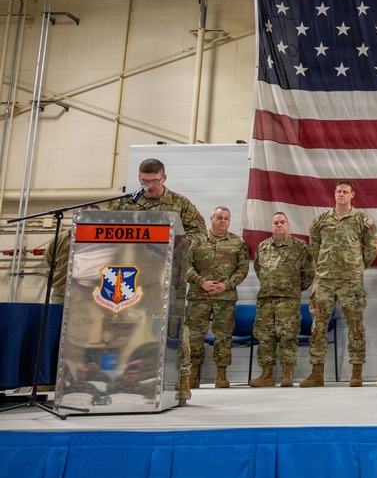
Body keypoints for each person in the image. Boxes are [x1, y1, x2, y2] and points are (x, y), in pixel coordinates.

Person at [109, 157, 206, 402]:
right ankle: (126, 378)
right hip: (131, 276)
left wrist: (180, 243)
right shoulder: (127, 202)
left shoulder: (179, 203)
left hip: (169, 277)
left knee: (174, 329)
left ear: (164, 178)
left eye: (154, 181)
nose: (149, 186)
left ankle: (181, 380)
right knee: (129, 327)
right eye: (144, 181)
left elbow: (200, 232)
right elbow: (109, 227)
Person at [302, 180, 377, 388]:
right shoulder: (321, 220)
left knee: (355, 326)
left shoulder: (361, 219)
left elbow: (372, 246)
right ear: (334, 194)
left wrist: (359, 266)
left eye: (345, 192)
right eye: (338, 192)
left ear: (353, 195)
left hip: (350, 280)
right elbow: (314, 246)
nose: (341, 195)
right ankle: (317, 371)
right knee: (318, 325)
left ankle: (356, 371)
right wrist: (323, 265)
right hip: (325, 280)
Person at [185, 206, 250, 389]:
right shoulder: (195, 241)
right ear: (211, 218)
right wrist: (202, 282)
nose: (223, 221)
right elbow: (186, 265)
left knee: (223, 336)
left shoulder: (238, 242)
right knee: (194, 336)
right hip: (199, 296)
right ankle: (192, 375)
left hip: (225, 297)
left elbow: (243, 268)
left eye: (226, 219)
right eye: (219, 217)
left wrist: (226, 285)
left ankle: (221, 375)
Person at [249, 212, 315, 388]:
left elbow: (309, 272)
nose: (279, 225)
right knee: (265, 337)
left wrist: (294, 289)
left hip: (289, 300)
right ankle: (267, 374)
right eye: (276, 222)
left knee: (288, 336)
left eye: (282, 222)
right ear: (272, 226)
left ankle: (287, 373)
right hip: (266, 299)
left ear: (288, 225)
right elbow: (258, 268)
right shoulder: (262, 247)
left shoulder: (299, 246)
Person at [43, 204, 100, 305]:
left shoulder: (106, 241)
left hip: (93, 296)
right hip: (62, 294)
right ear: (80, 217)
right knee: (57, 319)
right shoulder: (62, 238)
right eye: (87, 216)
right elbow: (49, 260)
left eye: (95, 216)